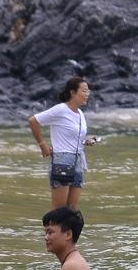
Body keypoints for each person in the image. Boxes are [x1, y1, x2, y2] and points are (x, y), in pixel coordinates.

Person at [28, 75, 97, 209]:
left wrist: (86, 141)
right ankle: (51, 230)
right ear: (72, 92)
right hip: (62, 160)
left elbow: (73, 137)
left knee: (72, 210)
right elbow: (33, 121)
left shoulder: (80, 114)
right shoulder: (60, 109)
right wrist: (43, 146)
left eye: (88, 91)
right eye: (84, 90)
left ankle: (69, 231)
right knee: (58, 211)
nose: (87, 94)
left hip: (78, 159)